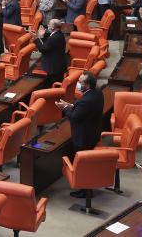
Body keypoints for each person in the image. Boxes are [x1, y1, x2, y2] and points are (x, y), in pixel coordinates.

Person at [56, 70, 104, 198]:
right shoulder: (97, 92)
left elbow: (74, 118)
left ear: (87, 85)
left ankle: (85, 191)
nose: (78, 83)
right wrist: (70, 105)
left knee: (82, 165)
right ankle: (87, 187)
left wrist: (65, 108)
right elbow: (81, 105)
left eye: (80, 82)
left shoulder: (87, 100)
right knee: (86, 163)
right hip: (93, 133)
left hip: (84, 138)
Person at [31, 19, 66, 85]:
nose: (47, 25)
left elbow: (43, 49)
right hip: (56, 65)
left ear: (53, 27)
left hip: (54, 68)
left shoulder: (54, 37)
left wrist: (36, 38)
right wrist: (42, 37)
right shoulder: (58, 34)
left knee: (54, 86)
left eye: (49, 24)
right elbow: (48, 45)